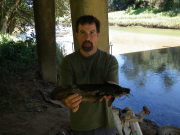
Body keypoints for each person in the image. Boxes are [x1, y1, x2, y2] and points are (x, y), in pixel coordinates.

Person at [59, 15, 119, 135]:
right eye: (83, 32)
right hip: (80, 124)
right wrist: (67, 101)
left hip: (105, 123)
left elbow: (113, 86)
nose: (87, 38)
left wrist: (112, 93)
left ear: (97, 35)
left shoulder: (110, 60)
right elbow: (63, 95)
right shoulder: (67, 62)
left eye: (92, 32)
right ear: (77, 35)